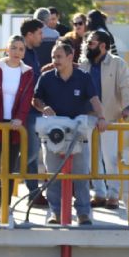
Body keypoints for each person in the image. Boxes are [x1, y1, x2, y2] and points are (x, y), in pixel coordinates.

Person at [33, 42, 108, 225]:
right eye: (53, 57)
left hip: (77, 132)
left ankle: (83, 213)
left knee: (80, 175)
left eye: (59, 56)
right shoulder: (46, 77)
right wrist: (44, 107)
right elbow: (35, 99)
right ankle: (56, 212)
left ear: (70, 56)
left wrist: (102, 117)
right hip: (53, 134)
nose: (55, 60)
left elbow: (94, 99)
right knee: (53, 175)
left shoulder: (83, 77)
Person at [80, 30, 129, 210]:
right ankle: (99, 194)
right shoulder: (83, 64)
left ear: (103, 46)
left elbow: (125, 86)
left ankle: (113, 195)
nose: (87, 46)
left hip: (110, 118)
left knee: (110, 158)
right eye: (87, 42)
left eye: (91, 43)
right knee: (92, 159)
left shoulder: (118, 64)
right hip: (89, 117)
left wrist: (128, 106)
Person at [0, 35, 35, 215]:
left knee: (10, 168)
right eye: (14, 48)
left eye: (21, 49)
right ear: (7, 48)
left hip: (14, 126)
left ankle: (6, 204)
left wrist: (19, 118)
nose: (17, 52)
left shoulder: (28, 72)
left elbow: (27, 100)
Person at [19, 18, 48, 208]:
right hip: (26, 111)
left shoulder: (32, 53)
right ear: (29, 35)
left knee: (32, 154)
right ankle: (4, 171)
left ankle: (33, 193)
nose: (42, 37)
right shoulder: (20, 54)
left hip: (34, 110)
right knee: (29, 154)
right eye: (39, 33)